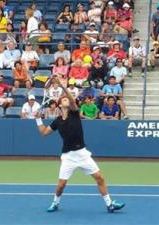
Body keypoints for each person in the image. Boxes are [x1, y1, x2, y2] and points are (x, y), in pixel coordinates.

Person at [35, 77, 125, 213]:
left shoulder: (75, 113)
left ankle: (109, 204)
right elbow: (44, 133)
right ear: (59, 104)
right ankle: (55, 202)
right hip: (68, 157)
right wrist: (37, 119)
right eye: (63, 99)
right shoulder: (57, 121)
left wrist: (62, 86)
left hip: (82, 154)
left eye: (67, 99)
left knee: (100, 178)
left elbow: (72, 100)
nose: (67, 99)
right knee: (61, 185)